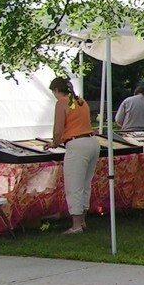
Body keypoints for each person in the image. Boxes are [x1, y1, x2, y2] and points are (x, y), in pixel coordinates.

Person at [45, 77, 100, 234]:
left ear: (56, 90)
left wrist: (54, 143)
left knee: (74, 185)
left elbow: (58, 129)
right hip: (92, 142)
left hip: (77, 145)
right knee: (85, 184)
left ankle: (76, 225)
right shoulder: (80, 101)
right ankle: (82, 221)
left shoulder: (62, 102)